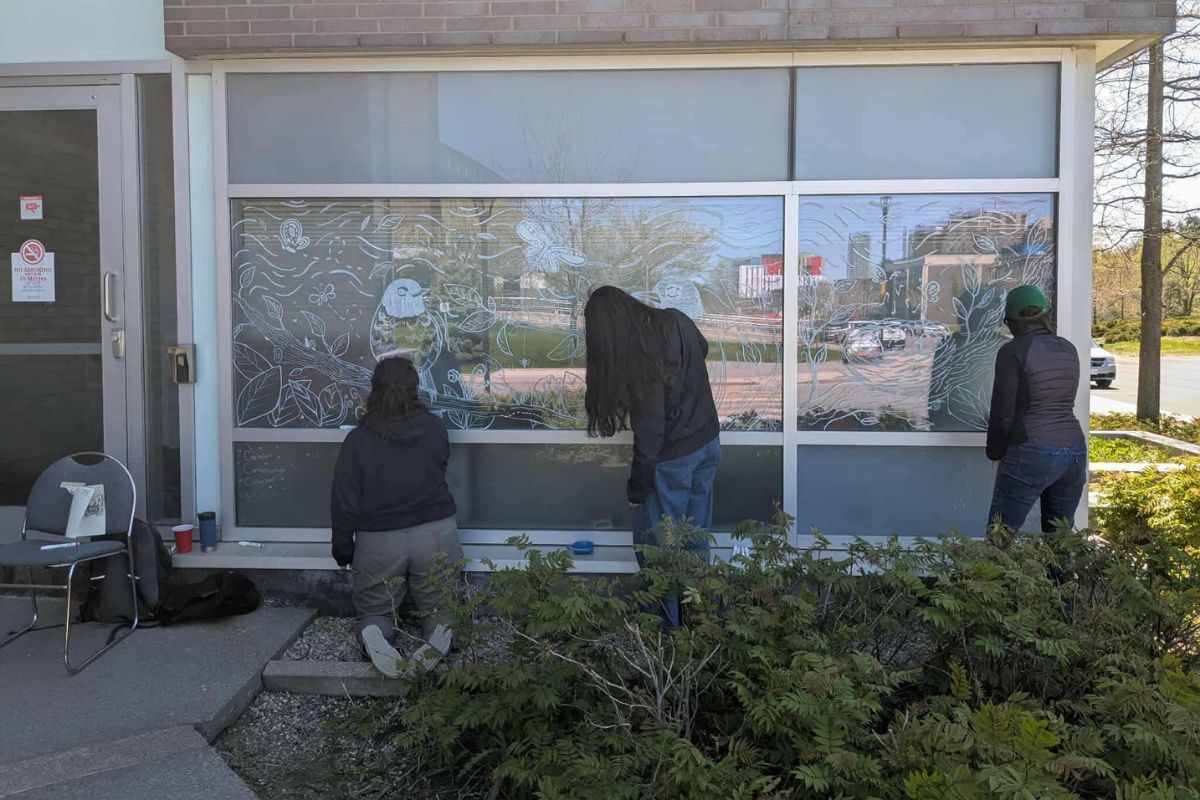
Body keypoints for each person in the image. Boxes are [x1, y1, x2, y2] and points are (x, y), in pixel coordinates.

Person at [583, 285, 721, 628]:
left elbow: (650, 437)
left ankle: (664, 634)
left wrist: (636, 490)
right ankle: (700, 620)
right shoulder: (678, 320)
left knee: (659, 551)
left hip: (673, 457)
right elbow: (701, 349)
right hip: (707, 442)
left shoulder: (640, 358)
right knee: (694, 537)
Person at [331, 356, 460, 678]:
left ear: (373, 390)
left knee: (375, 609)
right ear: (416, 388)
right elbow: (439, 467)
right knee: (441, 605)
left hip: (379, 540)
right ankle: (440, 635)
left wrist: (343, 549)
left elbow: (345, 502)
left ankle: (375, 635)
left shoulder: (358, 440)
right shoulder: (434, 428)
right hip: (435, 533)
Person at [986, 284, 1087, 533]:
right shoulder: (1068, 348)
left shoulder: (1012, 351)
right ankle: (1059, 574)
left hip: (1032, 450)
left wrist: (995, 453)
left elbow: (1003, 411)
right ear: (1046, 315)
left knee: (1001, 536)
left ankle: (994, 575)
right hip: (1074, 452)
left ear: (1012, 321)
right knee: (1059, 541)